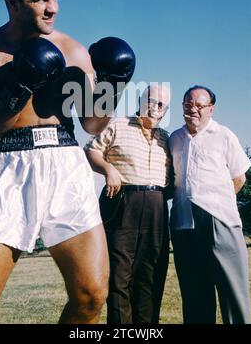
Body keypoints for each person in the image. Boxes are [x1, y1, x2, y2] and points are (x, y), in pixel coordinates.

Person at [0, 0, 135, 324]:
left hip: (66, 161)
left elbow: (93, 123)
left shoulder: (73, 50)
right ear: (12, 2)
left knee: (92, 295)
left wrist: (113, 84)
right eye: (40, 0)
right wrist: (22, 81)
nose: (52, 8)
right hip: (11, 167)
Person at [84, 84, 172, 324]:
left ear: (166, 110)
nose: (155, 107)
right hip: (123, 204)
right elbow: (91, 151)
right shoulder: (116, 124)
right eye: (151, 100)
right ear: (141, 99)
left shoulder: (166, 138)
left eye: (162, 104)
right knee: (119, 276)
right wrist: (108, 169)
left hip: (157, 207)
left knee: (151, 274)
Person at [169, 85, 251, 324]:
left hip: (220, 222)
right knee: (195, 297)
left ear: (211, 109)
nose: (192, 109)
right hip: (183, 223)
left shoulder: (224, 135)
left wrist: (218, 203)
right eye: (187, 104)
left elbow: (239, 177)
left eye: (198, 105)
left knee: (233, 295)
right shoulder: (174, 138)